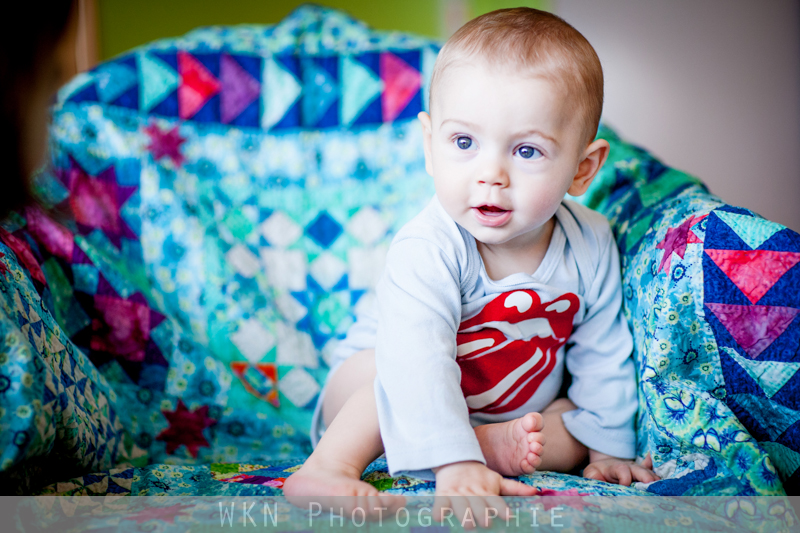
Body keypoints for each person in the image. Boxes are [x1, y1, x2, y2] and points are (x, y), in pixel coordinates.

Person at [283, 7, 658, 523]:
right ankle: (328, 467)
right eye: (464, 143)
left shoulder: (590, 241)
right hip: (379, 399)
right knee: (385, 370)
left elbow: (604, 351)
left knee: (579, 422)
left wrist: (610, 449)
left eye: (527, 151)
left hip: (506, 412)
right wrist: (452, 461)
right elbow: (418, 361)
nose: (490, 175)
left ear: (583, 167)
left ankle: (485, 447)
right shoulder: (428, 246)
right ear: (430, 146)